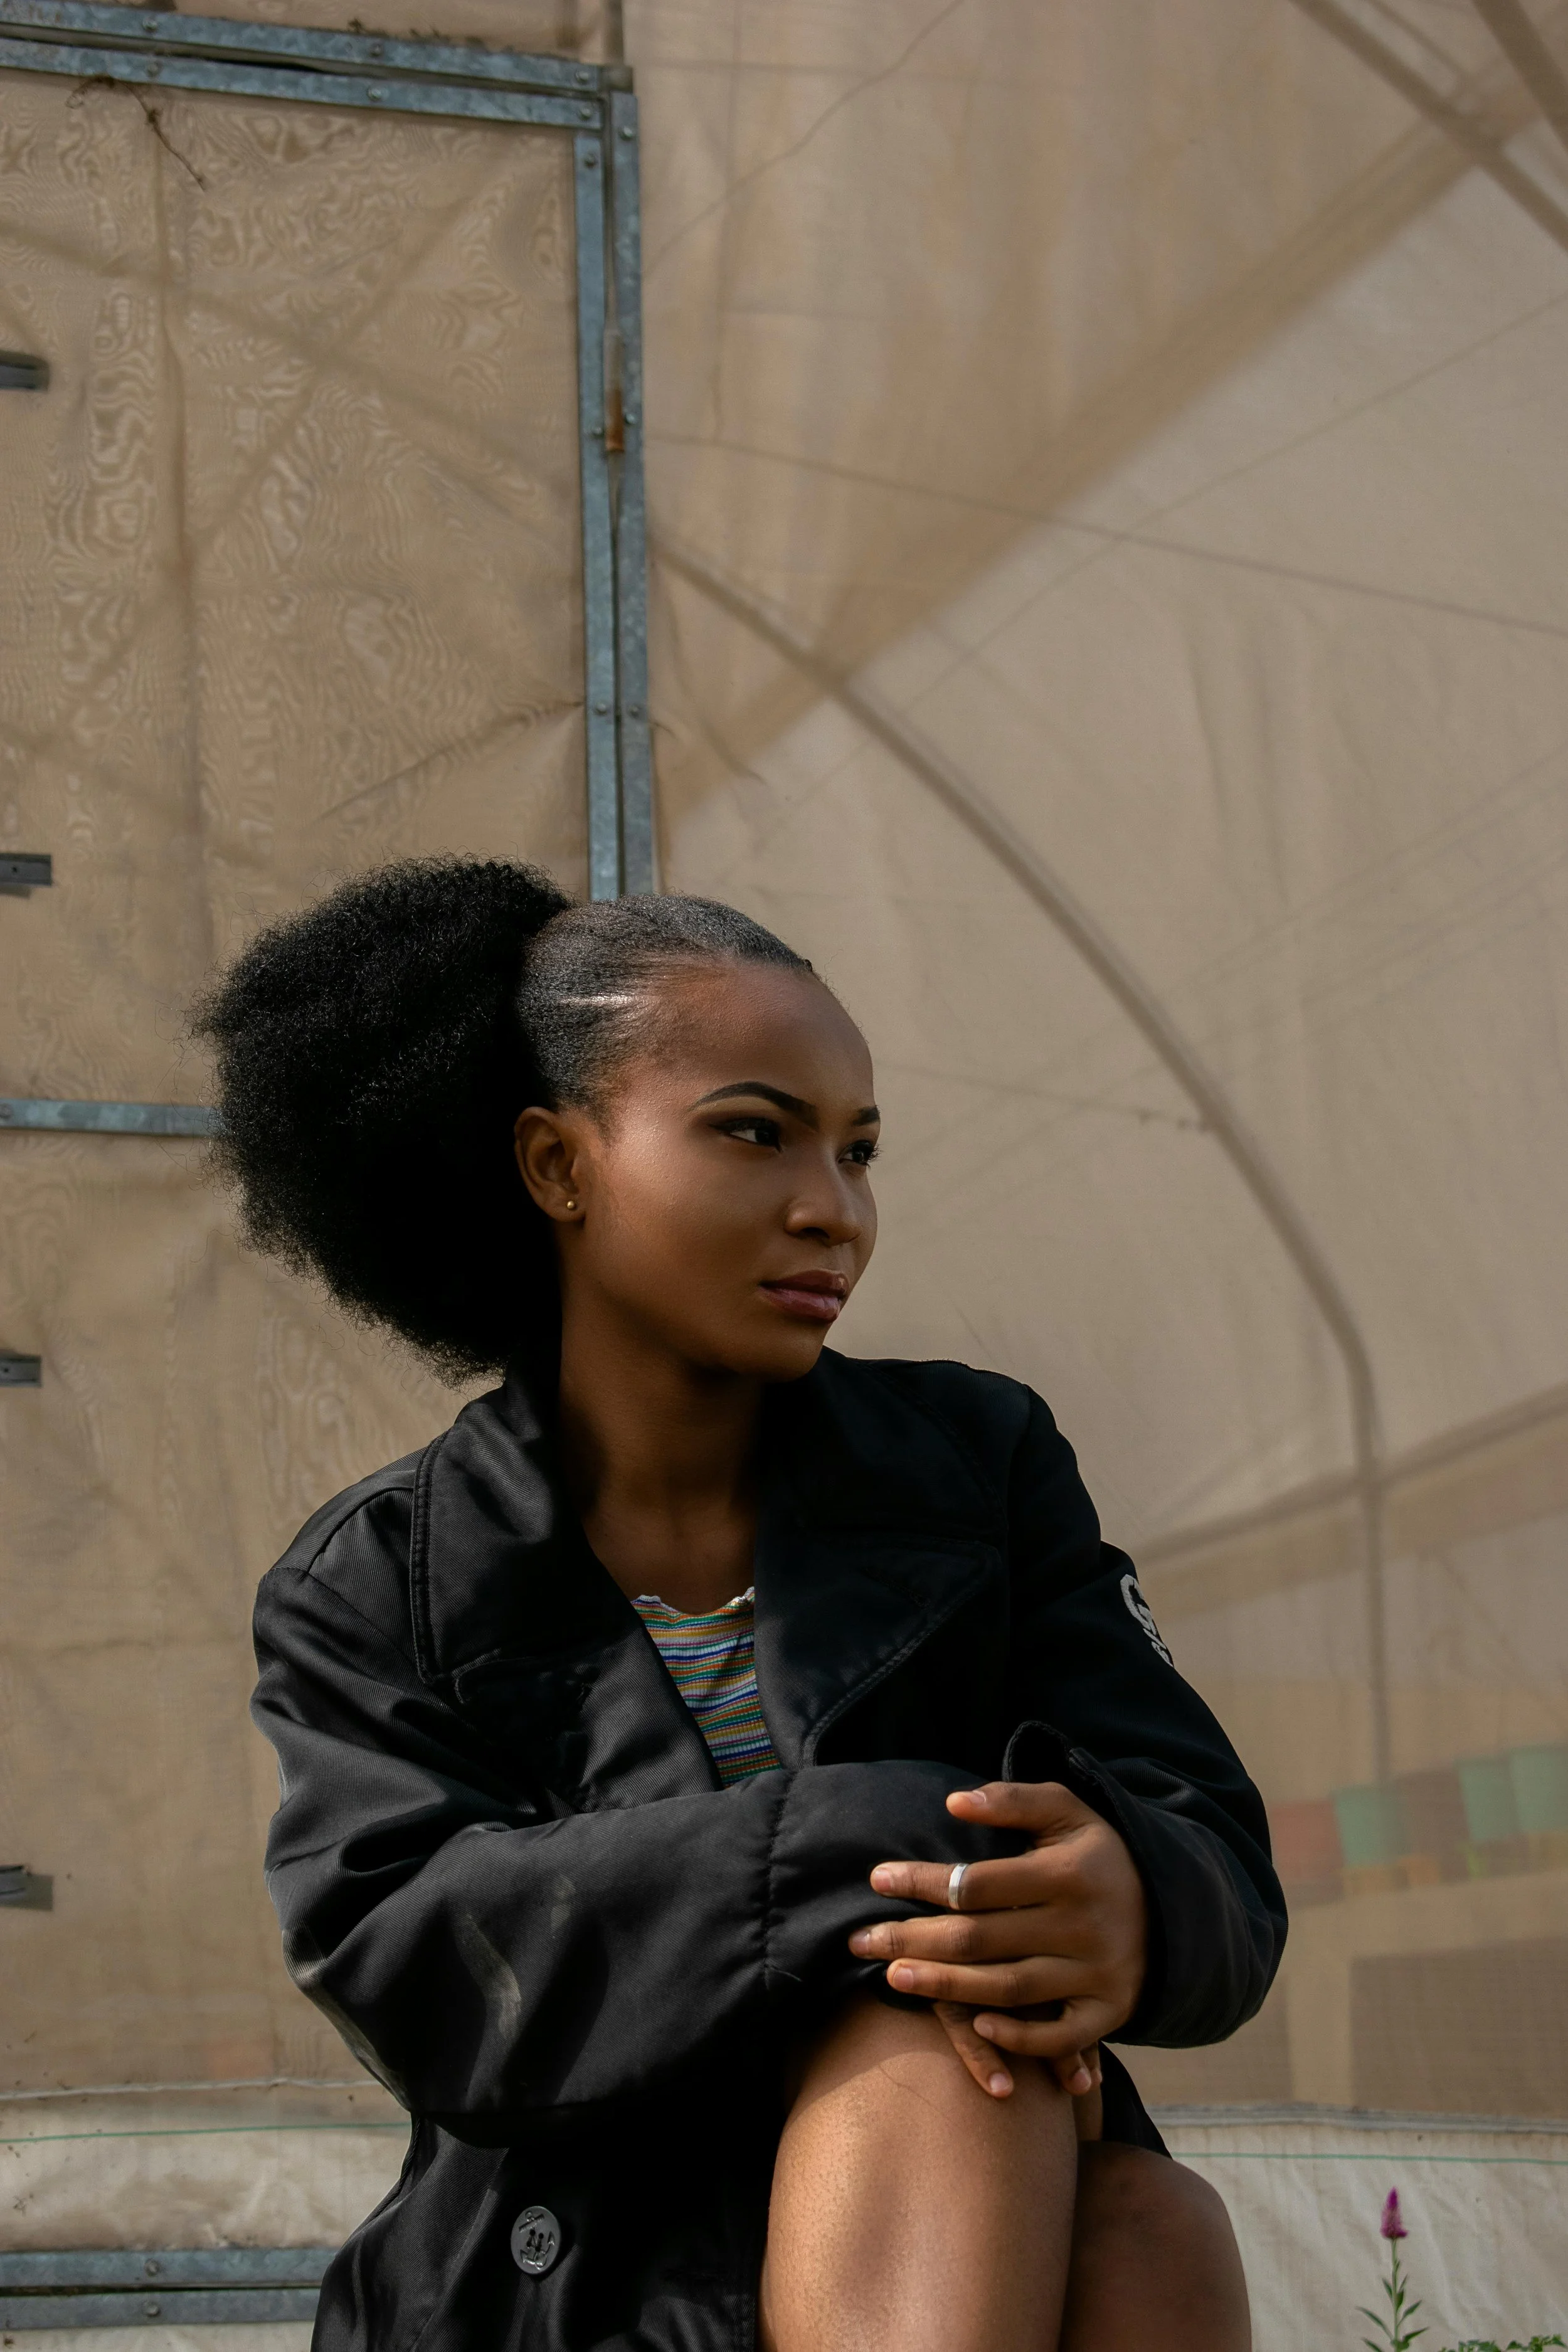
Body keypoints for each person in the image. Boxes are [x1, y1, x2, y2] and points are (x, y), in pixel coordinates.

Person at [198, 858, 1283, 2352]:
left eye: (859, 1153)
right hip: (577, 2289)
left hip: (975, 2214)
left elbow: (1207, 1840)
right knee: (928, 2001)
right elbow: (422, 1968)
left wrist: (1129, 1900)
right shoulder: (377, 1581)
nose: (829, 1211)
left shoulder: (976, 1467)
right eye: (755, 1135)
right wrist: (881, 1847)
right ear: (556, 1166)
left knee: (1144, 2213)